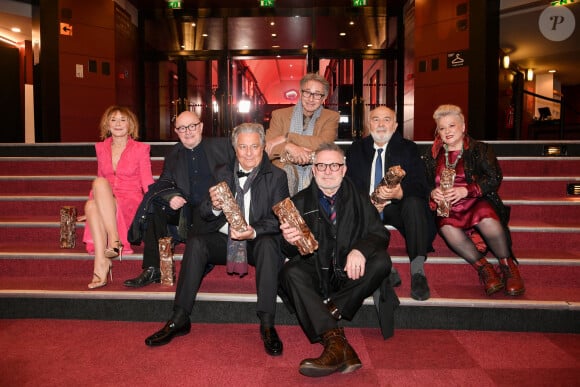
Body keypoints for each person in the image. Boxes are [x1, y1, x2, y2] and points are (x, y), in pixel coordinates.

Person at [144, 123, 290, 357]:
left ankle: (267, 322)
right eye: (243, 147)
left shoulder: (277, 176)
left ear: (263, 147)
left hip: (255, 240)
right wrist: (213, 206)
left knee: (268, 244)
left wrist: (252, 231)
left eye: (255, 146)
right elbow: (203, 211)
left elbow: (278, 220)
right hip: (225, 238)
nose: (249, 152)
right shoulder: (222, 171)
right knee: (197, 242)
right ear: (235, 149)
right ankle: (179, 317)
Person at [279, 142, 395, 377]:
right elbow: (288, 252)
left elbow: (380, 234)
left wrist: (360, 250)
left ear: (344, 169)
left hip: (350, 273)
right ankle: (337, 343)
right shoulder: (298, 202)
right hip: (317, 272)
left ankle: (330, 311)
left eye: (334, 165)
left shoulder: (361, 199)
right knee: (290, 272)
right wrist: (288, 241)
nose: (328, 171)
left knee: (382, 261)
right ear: (313, 170)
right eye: (321, 165)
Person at [423, 104, 525, 296]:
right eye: (442, 128)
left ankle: (507, 266)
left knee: (487, 220)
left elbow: (494, 177)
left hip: (477, 199)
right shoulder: (432, 156)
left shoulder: (480, 149)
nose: (447, 131)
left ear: (463, 127)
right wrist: (432, 192)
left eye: (451, 126)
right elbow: (423, 183)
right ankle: (484, 268)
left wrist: (467, 190)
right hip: (448, 206)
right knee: (446, 227)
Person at [124, 111, 235, 288]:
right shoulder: (173, 154)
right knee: (157, 206)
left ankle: (200, 261)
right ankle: (153, 268)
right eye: (182, 128)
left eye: (192, 126)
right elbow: (165, 181)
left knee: (192, 261)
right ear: (176, 131)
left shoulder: (223, 146)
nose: (188, 132)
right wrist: (172, 196)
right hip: (187, 211)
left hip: (216, 210)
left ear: (201, 127)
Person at [346, 106, 435, 301]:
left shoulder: (408, 148)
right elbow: (348, 185)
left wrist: (400, 192)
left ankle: (418, 270)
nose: (380, 124)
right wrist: (367, 201)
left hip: (396, 207)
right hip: (367, 206)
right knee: (351, 210)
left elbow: (421, 184)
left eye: (386, 119)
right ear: (369, 124)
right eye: (376, 119)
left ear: (395, 125)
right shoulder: (356, 149)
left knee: (414, 203)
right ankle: (386, 269)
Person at [83, 106, 154, 289]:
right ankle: (103, 260)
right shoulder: (101, 148)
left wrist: (154, 204)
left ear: (131, 125)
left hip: (130, 201)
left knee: (97, 187)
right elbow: (101, 177)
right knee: (92, 202)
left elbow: (146, 181)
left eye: (123, 120)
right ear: (107, 124)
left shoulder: (141, 149)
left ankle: (112, 244)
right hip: (108, 201)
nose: (118, 124)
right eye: (113, 119)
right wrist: (97, 204)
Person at [265, 73, 339, 196]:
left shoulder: (331, 117)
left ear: (323, 98)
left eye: (317, 95)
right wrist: (289, 147)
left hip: (316, 171)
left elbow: (324, 143)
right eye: (307, 92)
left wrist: (288, 137)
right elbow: (268, 148)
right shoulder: (279, 115)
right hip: (283, 174)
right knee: (285, 173)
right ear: (301, 92)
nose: (311, 99)